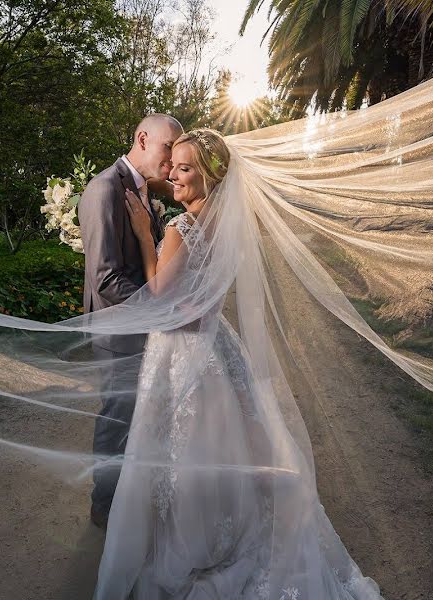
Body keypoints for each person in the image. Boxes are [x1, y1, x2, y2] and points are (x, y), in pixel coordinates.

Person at [93, 129, 382, 599]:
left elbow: (160, 295)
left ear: (208, 176)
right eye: (173, 165)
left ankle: (197, 543)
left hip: (183, 351)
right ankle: (231, 527)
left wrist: (146, 237)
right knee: (223, 449)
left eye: (183, 168)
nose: (172, 174)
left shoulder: (179, 228)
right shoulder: (224, 224)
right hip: (216, 348)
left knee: (185, 453)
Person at [78, 113, 184, 529]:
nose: (172, 159)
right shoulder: (105, 188)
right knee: (117, 416)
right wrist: (158, 312)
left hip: (142, 324)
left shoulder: (144, 193)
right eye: (167, 148)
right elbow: (105, 279)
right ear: (142, 139)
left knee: (144, 415)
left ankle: (131, 496)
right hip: (117, 330)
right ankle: (103, 506)